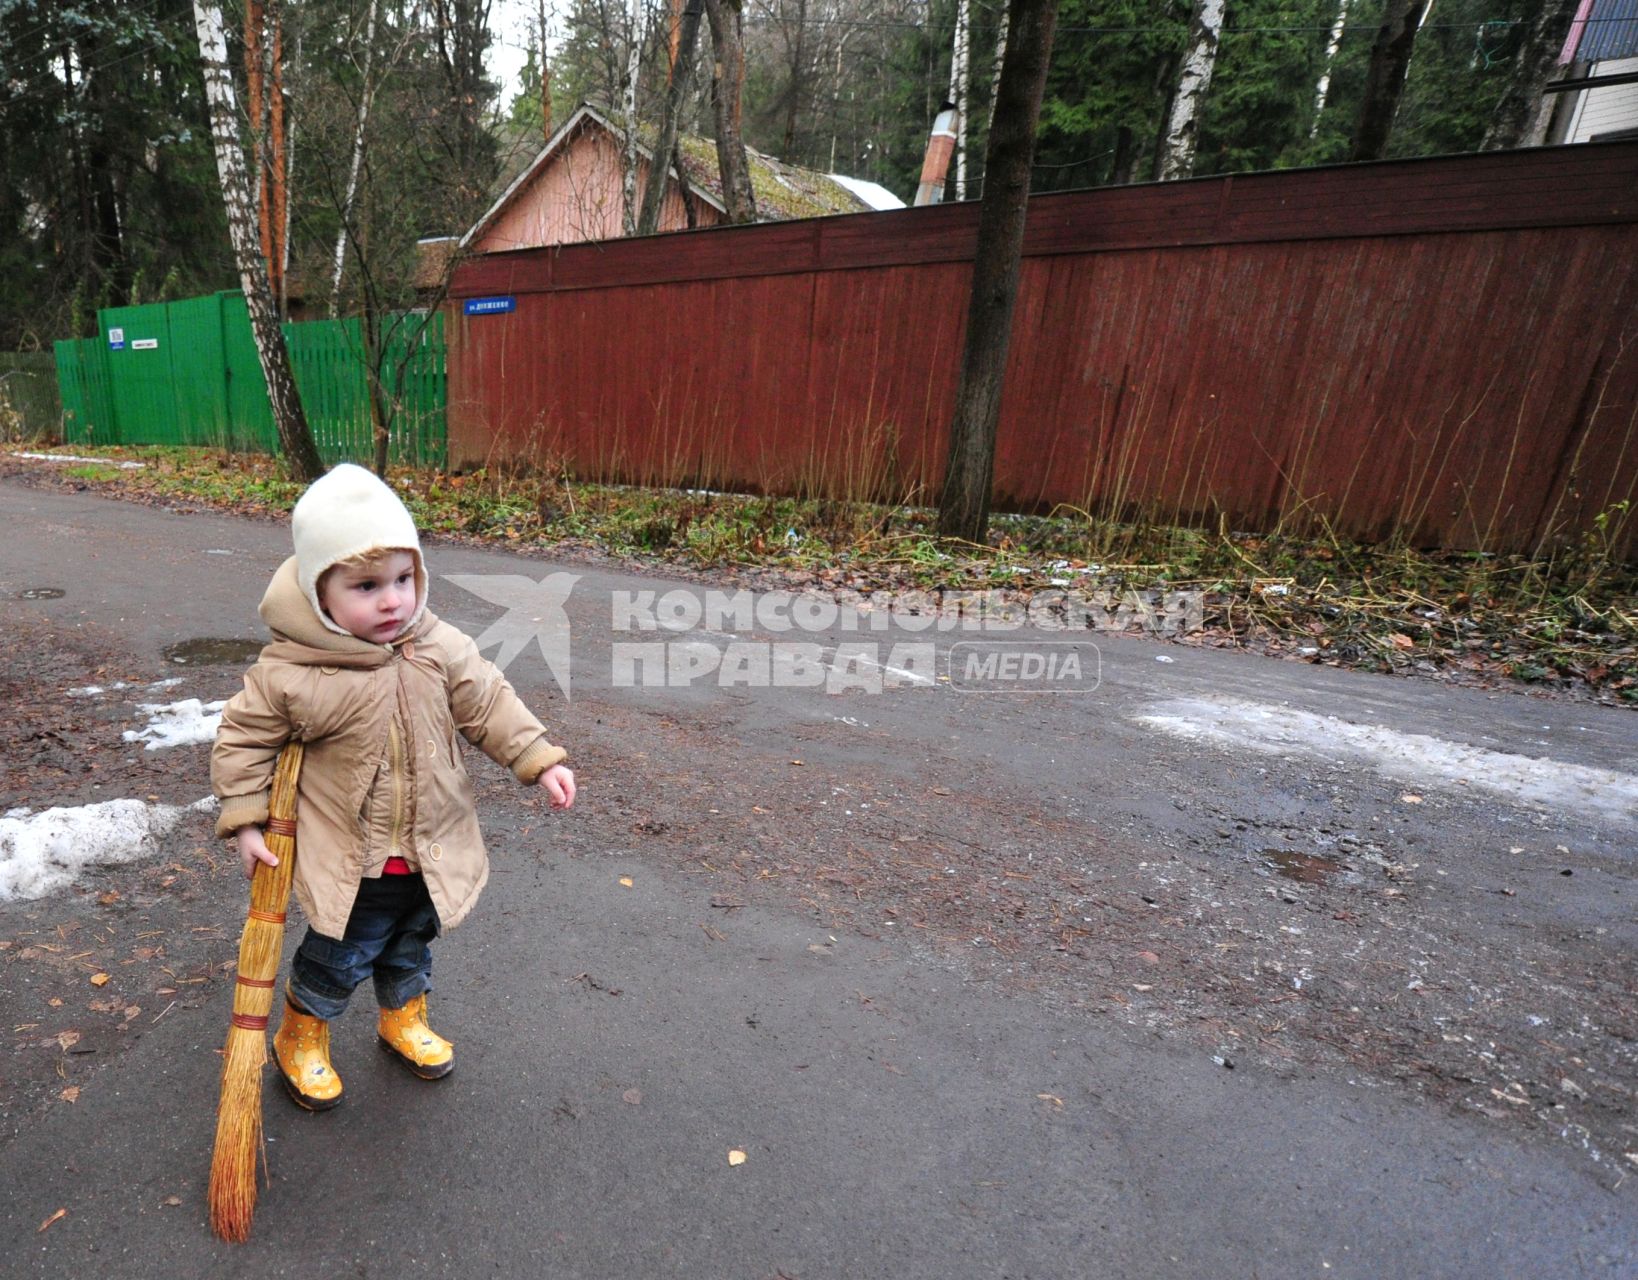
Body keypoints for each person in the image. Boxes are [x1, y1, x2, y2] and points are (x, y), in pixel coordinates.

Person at [211, 463, 576, 1110]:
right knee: (339, 958)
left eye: (405, 579)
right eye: (366, 585)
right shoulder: (295, 670)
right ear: (319, 590)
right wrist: (245, 819)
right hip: (355, 863)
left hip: (432, 849)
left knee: (411, 945)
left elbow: (487, 702)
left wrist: (538, 758)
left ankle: (401, 1018)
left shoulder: (438, 646)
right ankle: (301, 1035)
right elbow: (244, 740)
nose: (393, 601)